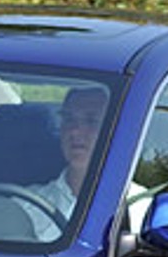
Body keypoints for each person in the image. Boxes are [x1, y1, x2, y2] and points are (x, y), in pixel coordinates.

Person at [10, 82, 109, 241]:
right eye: (69, 119)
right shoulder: (24, 206)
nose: (75, 131)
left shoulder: (139, 208)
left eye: (91, 121)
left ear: (115, 130)